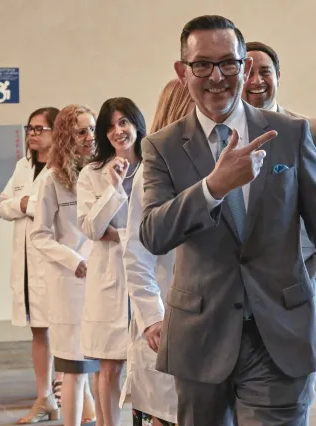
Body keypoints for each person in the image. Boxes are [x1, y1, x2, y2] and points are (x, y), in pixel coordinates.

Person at [139, 15, 316, 425]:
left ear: (244, 67)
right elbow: (154, 233)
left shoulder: (292, 133)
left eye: (228, 63)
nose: (217, 77)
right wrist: (212, 187)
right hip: (200, 339)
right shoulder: (161, 147)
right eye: (202, 65)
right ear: (183, 72)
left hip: (280, 335)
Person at [243, 41, 316, 282]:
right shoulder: (224, 136)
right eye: (248, 73)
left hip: (296, 279)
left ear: (278, 76)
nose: (256, 81)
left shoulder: (311, 131)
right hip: (234, 281)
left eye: (265, 72)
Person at [121, 79, 192, 426]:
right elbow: (136, 252)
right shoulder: (151, 171)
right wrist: (152, 315)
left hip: (203, 315)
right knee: (165, 412)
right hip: (164, 315)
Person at [77, 97, 145, 426]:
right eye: (110, 126)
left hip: (147, 275)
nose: (118, 131)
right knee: (110, 364)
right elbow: (91, 227)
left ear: (136, 124)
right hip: (109, 278)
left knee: (147, 362)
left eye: (123, 122)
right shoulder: (92, 174)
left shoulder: (155, 166)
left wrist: (119, 234)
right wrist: (114, 187)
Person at [31, 104, 98, 426]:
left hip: (102, 278)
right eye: (81, 131)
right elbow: (40, 235)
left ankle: (92, 415)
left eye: (92, 129)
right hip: (69, 280)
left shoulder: (99, 171)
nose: (90, 137)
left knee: (96, 361)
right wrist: (74, 260)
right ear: (66, 136)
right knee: (74, 364)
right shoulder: (51, 179)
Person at [0, 107, 65, 423]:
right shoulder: (22, 167)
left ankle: (72, 392)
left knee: (64, 328)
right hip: (26, 262)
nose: (33, 133)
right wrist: (22, 204)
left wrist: (29, 205)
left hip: (54, 261)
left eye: (40, 128)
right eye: (30, 128)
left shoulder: (66, 168)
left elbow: (59, 212)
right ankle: (45, 396)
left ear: (56, 132)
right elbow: (3, 205)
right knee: (38, 329)